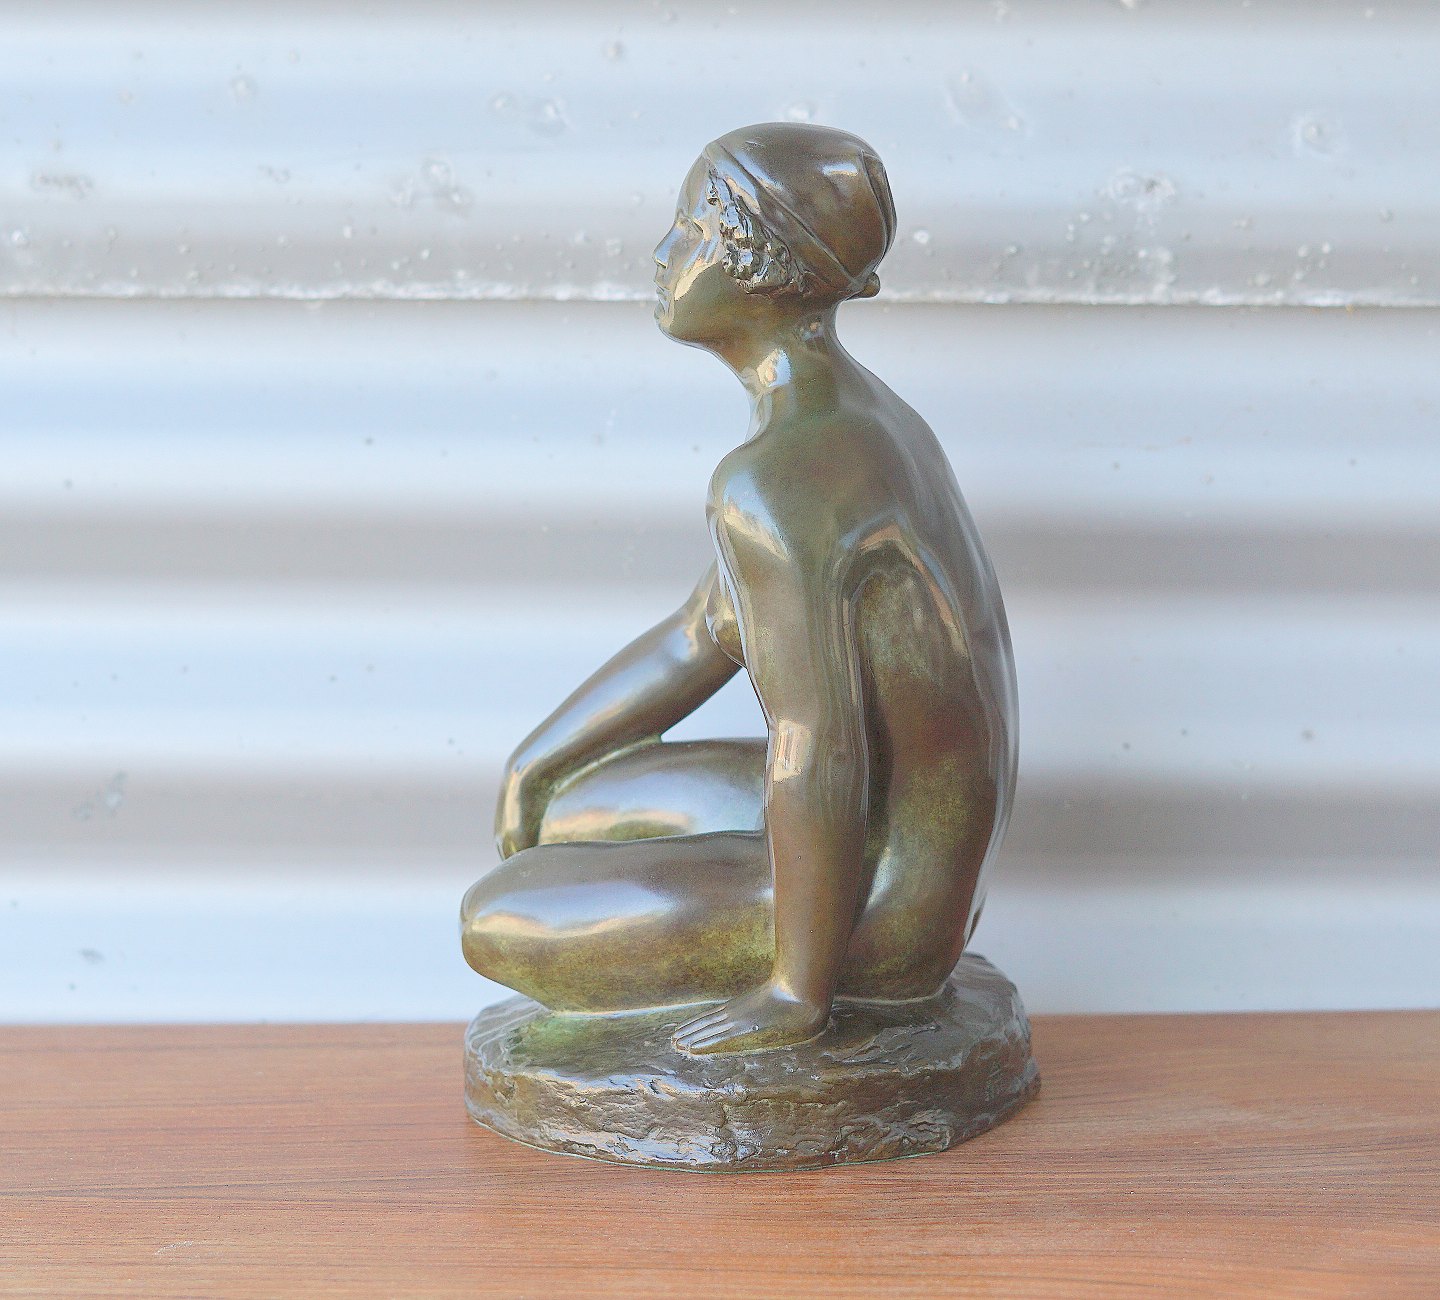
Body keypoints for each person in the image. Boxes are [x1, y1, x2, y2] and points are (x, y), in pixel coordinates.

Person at [461, 123, 1017, 1055]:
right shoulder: (862, 420)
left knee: (493, 917)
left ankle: (813, 963)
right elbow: (701, 632)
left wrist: (797, 989)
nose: (662, 253)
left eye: (691, 229)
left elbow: (819, 745)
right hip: (897, 836)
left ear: (763, 265)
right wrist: (536, 763)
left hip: (892, 908)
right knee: (567, 806)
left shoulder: (781, 477)